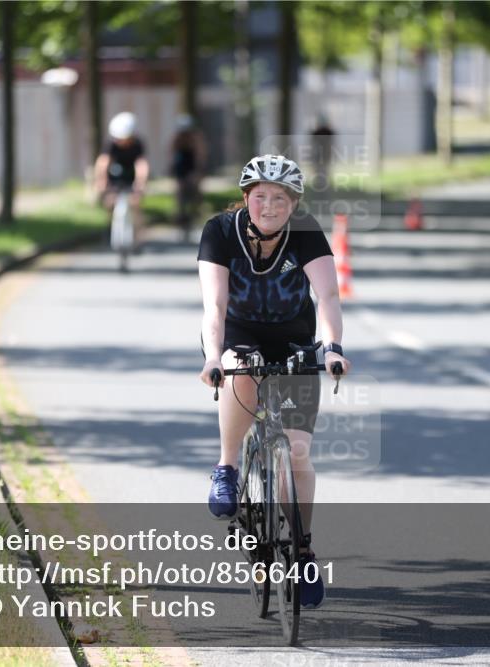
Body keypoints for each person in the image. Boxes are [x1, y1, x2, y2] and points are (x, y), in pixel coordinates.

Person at [196, 154, 351, 610]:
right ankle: (227, 467)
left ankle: (302, 552)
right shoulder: (219, 232)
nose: (269, 206)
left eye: (279, 199)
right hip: (236, 333)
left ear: (293, 204)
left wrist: (335, 347)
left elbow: (327, 294)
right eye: (260, 196)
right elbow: (215, 306)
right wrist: (212, 357)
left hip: (294, 340)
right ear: (246, 198)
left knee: (298, 452)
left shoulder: (304, 232)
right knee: (239, 371)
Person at [94, 112, 150, 272]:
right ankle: (109, 226)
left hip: (131, 179)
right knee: (109, 201)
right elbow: (103, 163)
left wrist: (140, 184)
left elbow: (141, 165)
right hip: (115, 179)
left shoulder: (137, 144)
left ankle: (139, 238)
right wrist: (101, 182)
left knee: (136, 205)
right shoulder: (110, 144)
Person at [170, 114, 207, 243]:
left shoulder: (196, 138)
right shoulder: (177, 138)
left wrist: (197, 173)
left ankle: (195, 215)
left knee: (195, 193)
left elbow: (200, 156)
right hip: (181, 168)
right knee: (180, 195)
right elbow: (171, 154)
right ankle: (180, 219)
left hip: (192, 167)